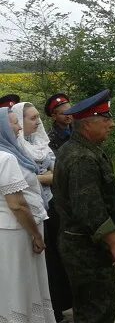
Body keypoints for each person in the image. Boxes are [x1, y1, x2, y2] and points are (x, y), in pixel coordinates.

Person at [53, 90, 115, 323]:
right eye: (106, 120)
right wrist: (114, 241)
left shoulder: (82, 148)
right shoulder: (81, 157)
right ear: (88, 125)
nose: (112, 124)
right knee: (97, 309)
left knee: (97, 305)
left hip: (87, 244)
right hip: (85, 248)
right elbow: (89, 207)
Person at [14, 102, 73, 321]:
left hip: (52, 206)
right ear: (20, 121)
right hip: (33, 212)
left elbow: (57, 172)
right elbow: (20, 183)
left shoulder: (40, 142)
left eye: (38, 116)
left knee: (58, 257)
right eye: (32, 118)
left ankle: (64, 303)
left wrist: (39, 179)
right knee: (45, 262)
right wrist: (44, 178)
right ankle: (52, 312)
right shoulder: (15, 148)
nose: (38, 121)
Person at [0, 107, 56, 323]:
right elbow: (17, 205)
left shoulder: (10, 154)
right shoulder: (6, 159)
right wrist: (36, 235)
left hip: (5, 229)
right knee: (22, 282)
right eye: (14, 123)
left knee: (7, 282)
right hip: (17, 231)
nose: (18, 127)